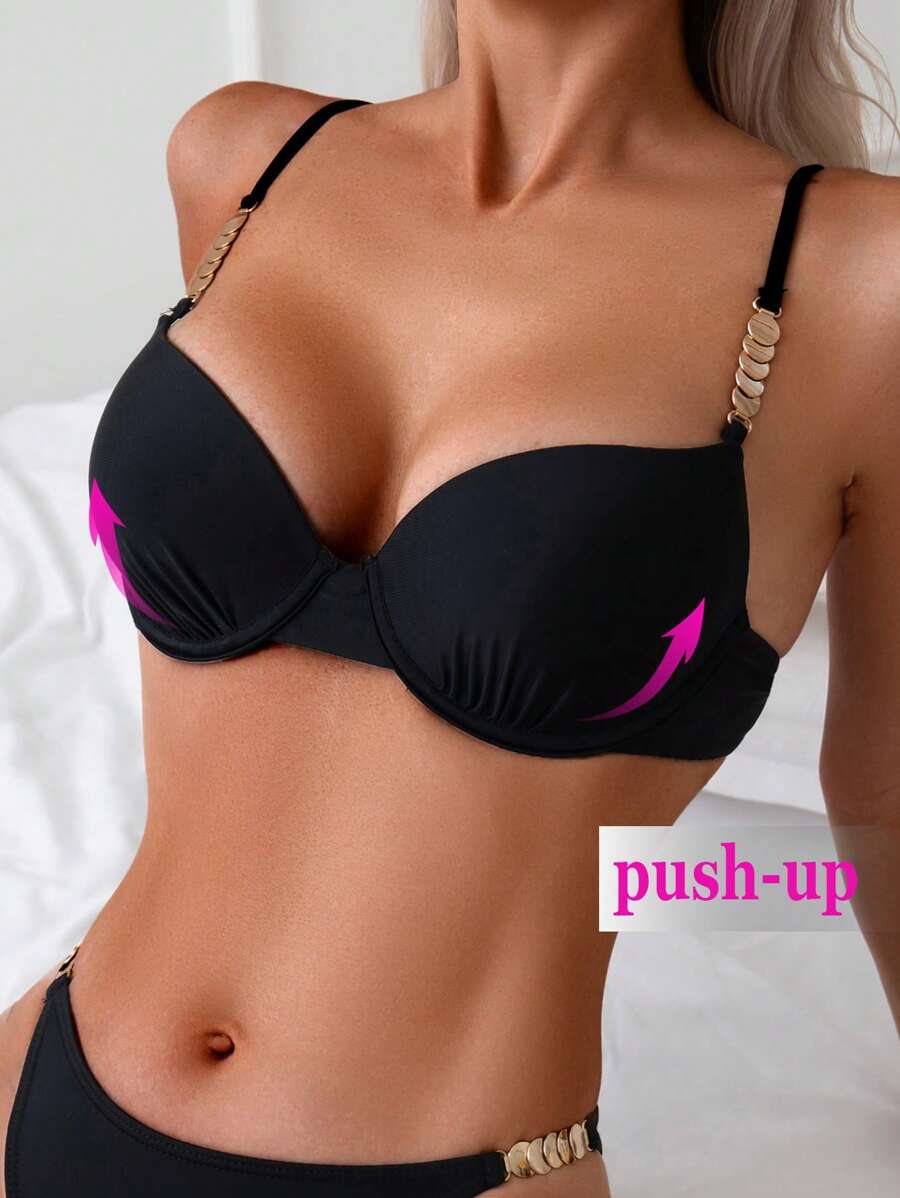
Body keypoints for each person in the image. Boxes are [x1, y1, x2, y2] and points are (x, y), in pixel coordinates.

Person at [3, 2, 899, 1195]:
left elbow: (882, 796)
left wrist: (707, 884)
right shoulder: (244, 158)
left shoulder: (862, 279)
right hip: (42, 1087)